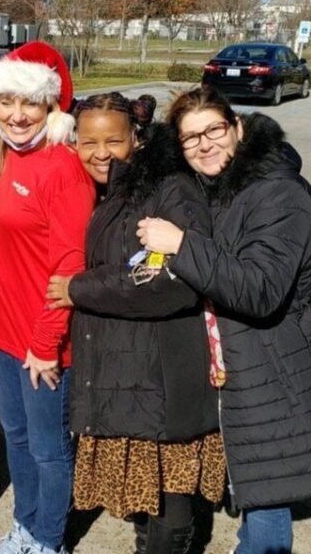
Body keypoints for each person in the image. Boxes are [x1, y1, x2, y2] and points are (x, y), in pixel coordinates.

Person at [136, 87, 311, 554]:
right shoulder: (224, 187)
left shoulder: (277, 193)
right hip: (251, 364)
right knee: (259, 488)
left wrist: (181, 245)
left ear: (238, 128)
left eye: (214, 130)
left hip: (279, 369)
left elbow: (259, 289)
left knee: (268, 497)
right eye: (190, 138)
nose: (205, 145)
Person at [45, 92, 225, 554]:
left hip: (161, 369)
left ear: (137, 139)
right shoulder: (113, 189)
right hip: (132, 367)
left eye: (113, 140)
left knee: (168, 496)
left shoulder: (168, 188)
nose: (100, 153)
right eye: (88, 142)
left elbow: (170, 278)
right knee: (148, 497)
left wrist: (78, 288)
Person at [0, 41, 96, 554]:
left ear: (51, 106)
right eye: (6, 101)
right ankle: (25, 527)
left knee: (48, 450)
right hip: (0, 335)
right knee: (17, 440)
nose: (17, 115)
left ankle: (48, 540)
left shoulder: (62, 166)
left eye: (29, 103)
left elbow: (70, 264)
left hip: (42, 341)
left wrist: (46, 341)